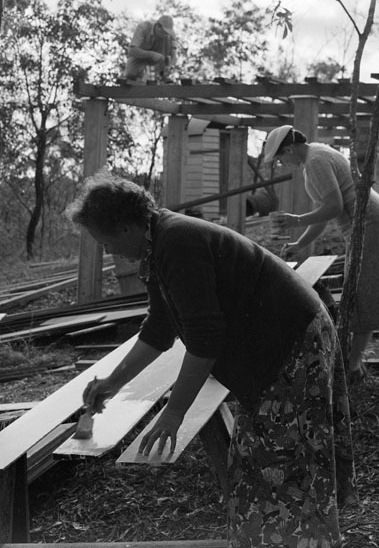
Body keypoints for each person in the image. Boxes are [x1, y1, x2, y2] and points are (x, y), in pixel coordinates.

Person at [67, 171, 353, 548]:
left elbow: (204, 339)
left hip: (293, 342)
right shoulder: (157, 245)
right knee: (263, 463)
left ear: (124, 228)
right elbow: (159, 328)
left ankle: (299, 541)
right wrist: (110, 383)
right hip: (281, 340)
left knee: (277, 461)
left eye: (104, 242)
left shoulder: (177, 241)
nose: (107, 251)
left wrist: (173, 413)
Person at [262, 125, 379, 380]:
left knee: (364, 293)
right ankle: (354, 362)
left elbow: (334, 207)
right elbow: (323, 214)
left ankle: (352, 368)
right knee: (361, 291)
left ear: (288, 149)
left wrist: (295, 220)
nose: (282, 163)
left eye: (280, 158)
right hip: (368, 222)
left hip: (370, 223)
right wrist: (301, 243)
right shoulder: (315, 157)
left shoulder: (316, 162)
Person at [123, 14, 177, 83]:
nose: (164, 34)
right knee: (131, 73)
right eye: (162, 32)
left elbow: (174, 56)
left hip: (160, 57)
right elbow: (131, 51)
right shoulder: (143, 27)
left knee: (168, 39)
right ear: (157, 26)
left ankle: (163, 74)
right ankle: (141, 75)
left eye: (166, 33)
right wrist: (151, 54)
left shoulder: (170, 34)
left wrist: (170, 66)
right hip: (140, 55)